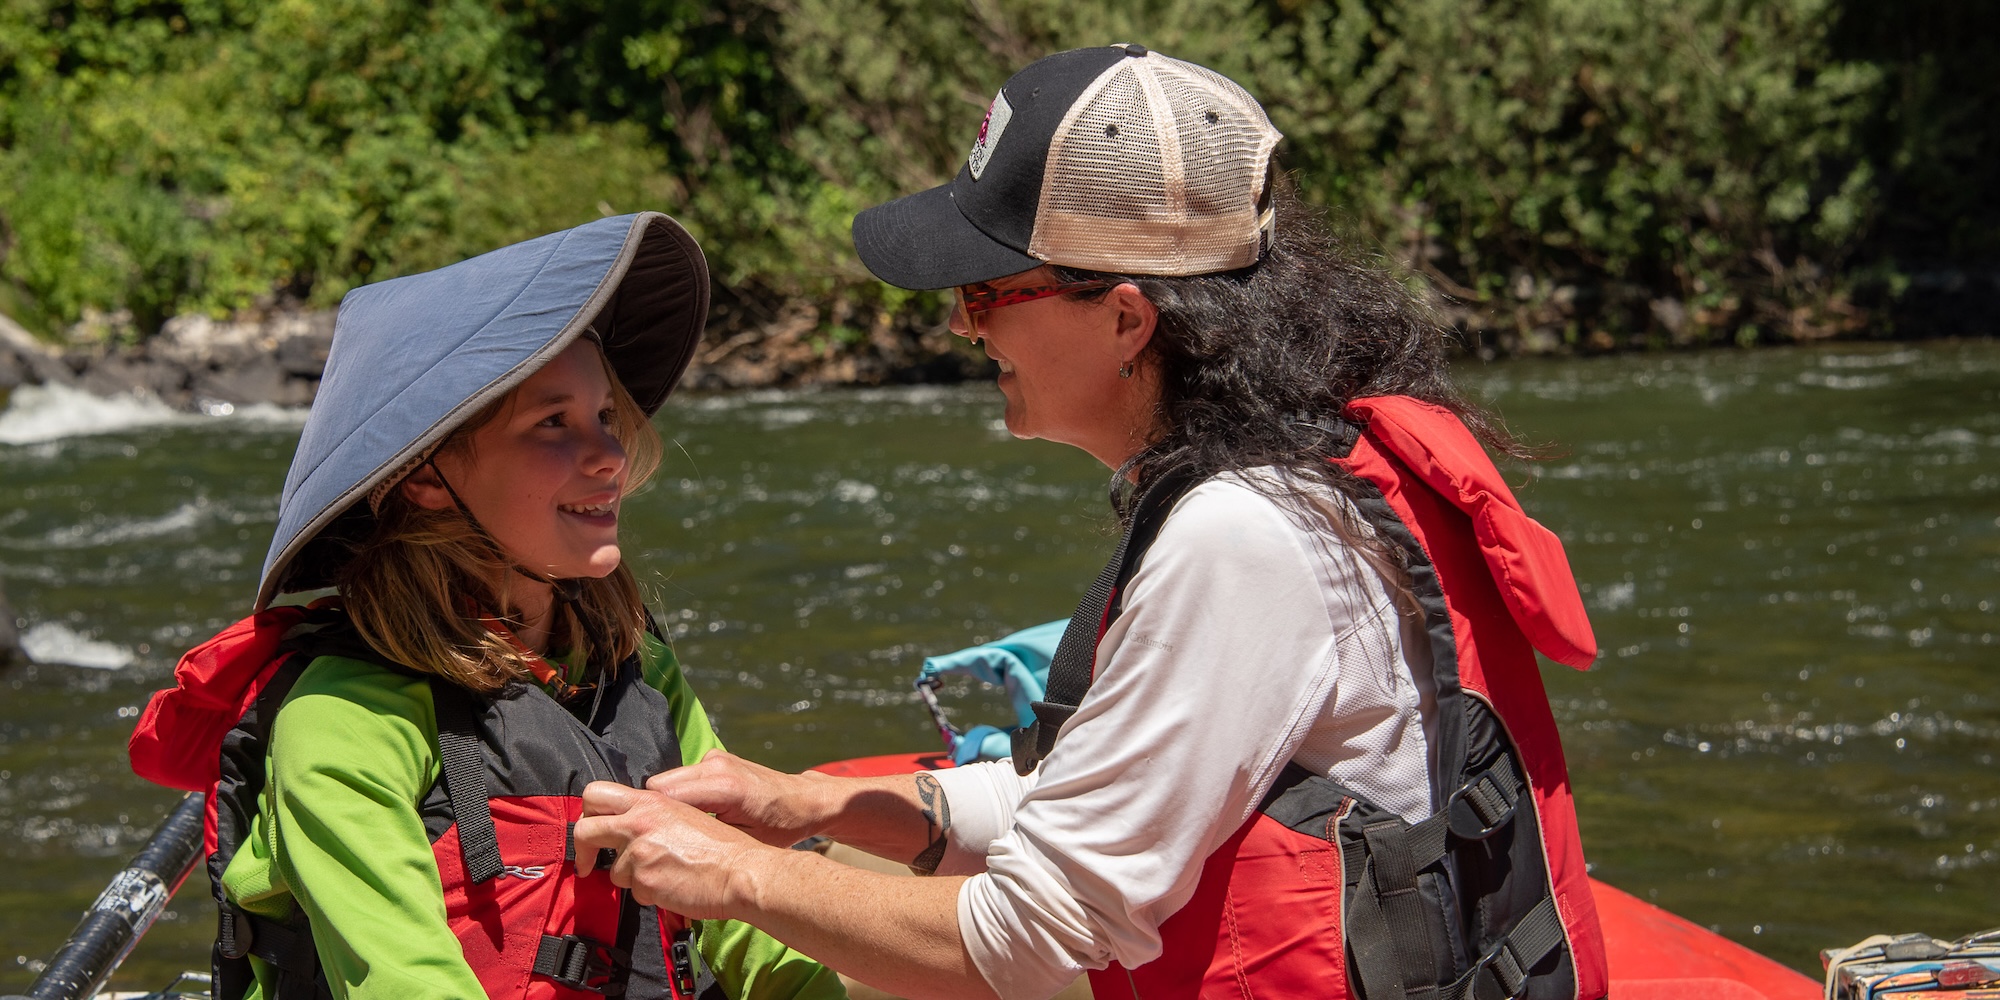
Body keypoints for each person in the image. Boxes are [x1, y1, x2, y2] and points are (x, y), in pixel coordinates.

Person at [574, 47, 1611, 1000]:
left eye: (984, 291)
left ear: (1124, 318)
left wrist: (732, 874)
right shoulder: (1309, 464)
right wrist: (824, 808)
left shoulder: (1244, 535)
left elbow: (1030, 935)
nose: (957, 323)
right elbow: (1104, 803)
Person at [133, 214, 844, 999]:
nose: (609, 454)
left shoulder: (636, 669)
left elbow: (751, 928)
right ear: (426, 479)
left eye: (606, 416)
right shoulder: (343, 720)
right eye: (553, 424)